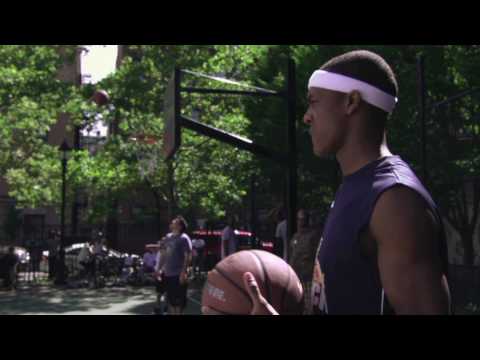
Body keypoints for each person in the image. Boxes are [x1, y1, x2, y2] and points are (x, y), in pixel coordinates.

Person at [219, 50, 452, 316]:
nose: (306, 116)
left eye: (314, 101)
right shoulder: (357, 187)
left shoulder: (394, 200)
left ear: (351, 101)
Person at [288, 209, 322, 314]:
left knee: (308, 308)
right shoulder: (295, 237)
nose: (300, 222)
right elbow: (291, 254)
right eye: (299, 219)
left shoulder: (313, 236)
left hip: (307, 278)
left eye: (303, 219)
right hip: (295, 276)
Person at [162, 216, 192, 315]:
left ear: (179, 226)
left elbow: (188, 256)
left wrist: (183, 273)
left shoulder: (184, 238)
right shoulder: (168, 237)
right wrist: (159, 269)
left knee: (179, 303)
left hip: (178, 274)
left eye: (174, 222)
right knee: (170, 301)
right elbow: (165, 254)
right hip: (168, 274)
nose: (171, 223)